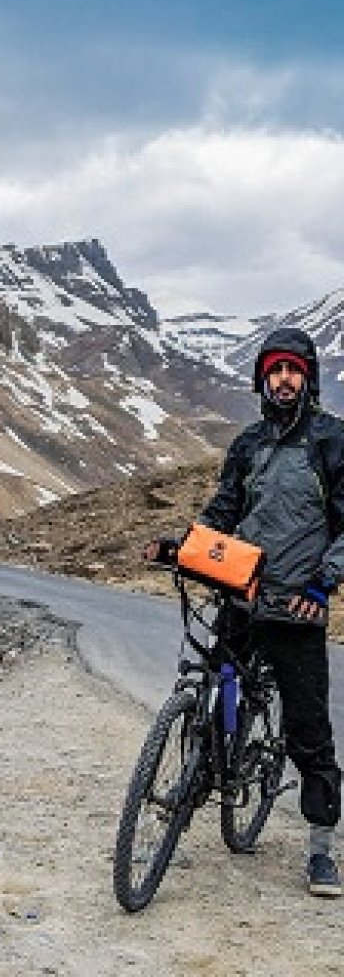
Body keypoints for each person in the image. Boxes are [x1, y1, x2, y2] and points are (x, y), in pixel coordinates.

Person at [146, 327, 344, 897]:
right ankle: (205, 770)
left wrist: (323, 583)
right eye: (274, 370)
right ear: (263, 380)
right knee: (214, 684)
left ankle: (321, 848)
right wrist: (184, 548)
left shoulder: (330, 441)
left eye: (293, 370)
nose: (283, 379)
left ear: (308, 379)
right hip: (242, 595)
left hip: (297, 603)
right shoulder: (249, 443)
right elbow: (225, 510)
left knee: (308, 730)